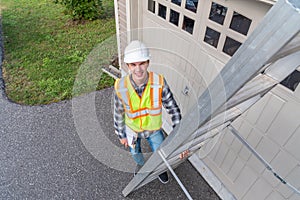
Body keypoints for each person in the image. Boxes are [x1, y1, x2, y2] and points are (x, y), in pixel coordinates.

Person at [113, 40, 182, 184]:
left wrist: (179, 135)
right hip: (132, 131)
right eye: (133, 65)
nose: (138, 69)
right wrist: (121, 135)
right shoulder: (121, 86)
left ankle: (159, 169)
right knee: (135, 153)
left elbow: (173, 109)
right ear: (128, 66)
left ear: (148, 62)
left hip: (154, 130)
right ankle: (141, 166)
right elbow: (118, 113)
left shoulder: (159, 82)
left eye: (142, 63)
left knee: (160, 153)